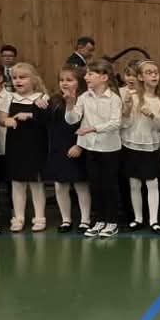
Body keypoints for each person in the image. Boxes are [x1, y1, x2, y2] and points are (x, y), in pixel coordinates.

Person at [68, 58, 126, 237]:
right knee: (95, 185)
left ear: (104, 77)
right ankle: (100, 220)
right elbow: (72, 119)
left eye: (90, 74)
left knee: (109, 186)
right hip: (91, 148)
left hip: (109, 149)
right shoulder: (83, 97)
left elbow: (115, 123)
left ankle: (112, 222)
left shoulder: (114, 99)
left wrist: (93, 128)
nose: (86, 77)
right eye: (86, 74)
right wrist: (70, 103)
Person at [0, 62, 50, 232]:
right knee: (17, 182)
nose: (18, 81)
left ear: (33, 79)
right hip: (15, 145)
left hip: (35, 145)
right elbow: (1, 118)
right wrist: (7, 120)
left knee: (36, 182)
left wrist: (30, 114)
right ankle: (18, 217)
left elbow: (47, 120)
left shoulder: (42, 97)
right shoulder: (8, 97)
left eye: (22, 77)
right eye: (14, 78)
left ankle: (39, 217)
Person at [122, 59, 160, 233]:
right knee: (134, 184)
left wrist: (152, 115)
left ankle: (154, 221)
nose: (154, 75)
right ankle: (138, 218)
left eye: (156, 72)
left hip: (151, 147)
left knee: (152, 183)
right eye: (149, 72)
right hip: (132, 145)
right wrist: (126, 109)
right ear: (140, 77)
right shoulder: (133, 98)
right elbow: (124, 123)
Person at [45, 67, 91, 232]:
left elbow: (87, 125)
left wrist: (80, 145)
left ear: (79, 82)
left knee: (81, 185)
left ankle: (85, 219)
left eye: (69, 80)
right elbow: (47, 122)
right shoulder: (55, 100)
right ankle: (66, 219)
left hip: (77, 146)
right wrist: (38, 106)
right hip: (59, 147)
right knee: (60, 185)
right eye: (62, 80)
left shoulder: (85, 100)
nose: (64, 83)